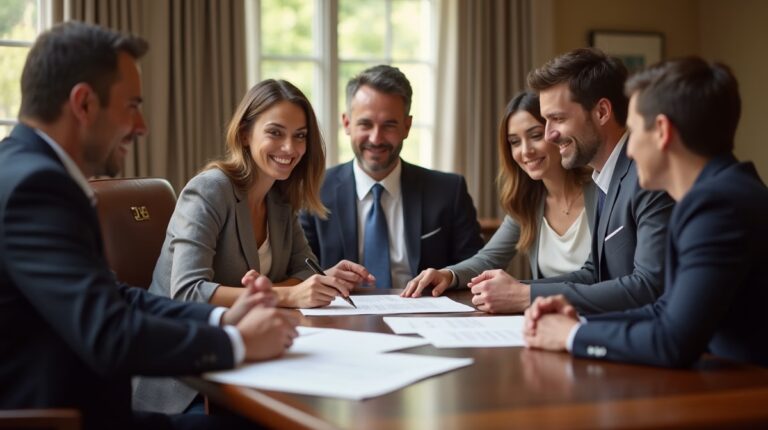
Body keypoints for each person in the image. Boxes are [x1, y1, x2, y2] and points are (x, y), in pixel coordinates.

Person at [0, 21, 298, 430]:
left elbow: (115, 297)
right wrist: (236, 343)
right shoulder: (37, 188)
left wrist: (221, 319)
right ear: (84, 104)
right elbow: (108, 333)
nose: (141, 126)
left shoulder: (25, 169)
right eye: (132, 106)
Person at [135, 79, 372, 415]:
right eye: (275, 132)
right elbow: (187, 292)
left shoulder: (280, 198)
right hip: (185, 379)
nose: (290, 148)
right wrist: (288, 294)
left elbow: (304, 270)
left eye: (300, 136)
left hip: (252, 362)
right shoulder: (209, 191)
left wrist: (310, 282)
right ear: (245, 133)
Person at [524, 57, 768, 368]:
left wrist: (572, 336)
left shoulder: (717, 207)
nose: (630, 149)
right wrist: (579, 326)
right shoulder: (718, 193)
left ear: (662, 131)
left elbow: (672, 342)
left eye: (635, 130)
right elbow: (664, 309)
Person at [464, 48, 675, 314]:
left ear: (601, 112)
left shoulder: (647, 178)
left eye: (558, 119)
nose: (550, 135)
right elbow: (593, 273)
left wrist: (526, 295)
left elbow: (647, 287)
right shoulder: (605, 178)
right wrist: (516, 289)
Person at [299, 65, 484, 289]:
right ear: (347, 123)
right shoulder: (314, 190)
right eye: (365, 124)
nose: (376, 139)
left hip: (425, 316)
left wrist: (449, 275)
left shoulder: (448, 191)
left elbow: (477, 269)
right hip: (341, 312)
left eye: (389, 125)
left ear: (407, 126)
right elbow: (300, 273)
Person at [402, 92, 595, 302]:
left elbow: (601, 277)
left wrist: (519, 289)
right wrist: (449, 274)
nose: (525, 151)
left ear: (556, 133)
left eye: (536, 136)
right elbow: (488, 259)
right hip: (551, 319)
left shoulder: (600, 192)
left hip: (602, 317)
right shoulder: (527, 204)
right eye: (515, 142)